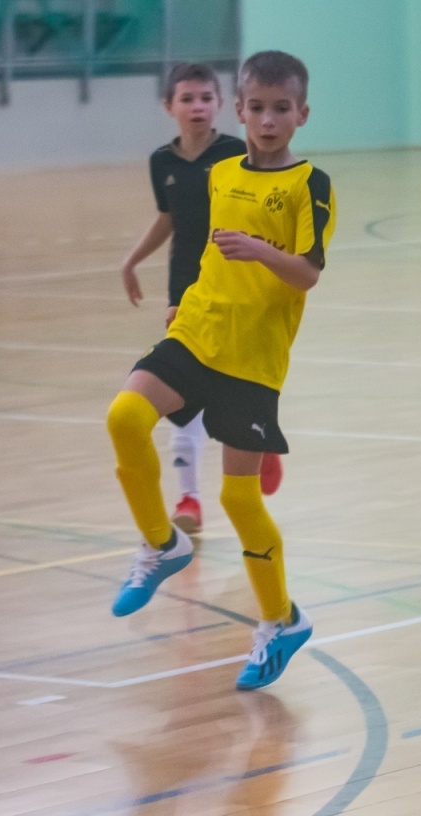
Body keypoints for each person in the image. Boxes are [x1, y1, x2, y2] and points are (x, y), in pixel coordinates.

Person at [104, 50, 335, 690]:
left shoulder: (308, 185)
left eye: (280, 108)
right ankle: (161, 544)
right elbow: (211, 253)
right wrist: (190, 298)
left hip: (253, 358)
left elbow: (308, 273)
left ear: (301, 114)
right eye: (256, 107)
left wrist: (261, 251)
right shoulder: (221, 173)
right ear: (241, 110)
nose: (267, 119)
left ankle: (279, 622)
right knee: (125, 415)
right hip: (197, 330)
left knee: (239, 496)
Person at [120, 64, 281, 535]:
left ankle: (260, 438)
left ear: (221, 105)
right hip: (184, 293)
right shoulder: (162, 164)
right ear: (169, 107)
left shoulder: (238, 153)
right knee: (183, 396)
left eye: (206, 98)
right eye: (187, 99)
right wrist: (131, 261)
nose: (197, 107)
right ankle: (189, 497)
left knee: (238, 381)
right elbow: (167, 218)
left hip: (236, 291)